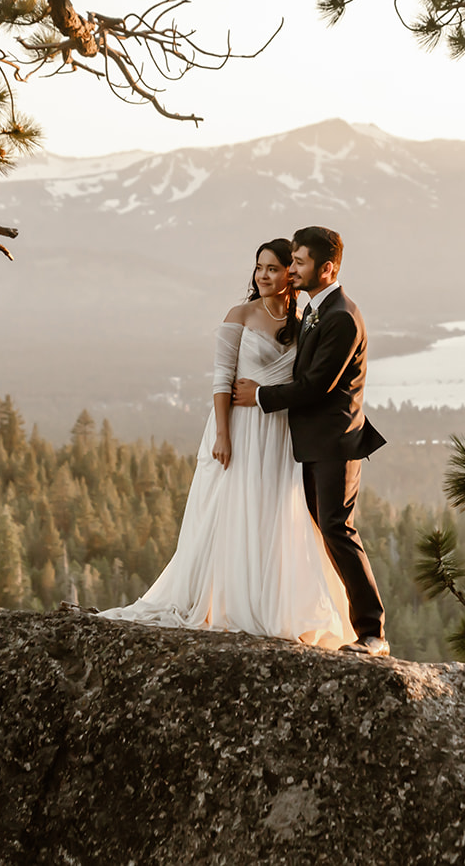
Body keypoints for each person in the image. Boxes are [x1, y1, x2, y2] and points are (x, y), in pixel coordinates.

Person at [99, 239, 354, 648]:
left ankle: (271, 604)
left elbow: (307, 382)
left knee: (274, 515)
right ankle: (230, 601)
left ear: (292, 272)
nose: (264, 276)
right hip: (241, 427)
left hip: (280, 432)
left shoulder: (304, 318)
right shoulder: (240, 315)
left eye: (273, 268)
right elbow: (221, 380)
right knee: (236, 510)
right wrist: (222, 434)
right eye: (259, 268)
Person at [232, 226, 389, 657]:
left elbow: (317, 385)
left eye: (299, 262)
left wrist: (260, 395)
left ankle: (373, 632)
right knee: (325, 529)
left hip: (335, 442)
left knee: (339, 529)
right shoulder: (317, 308)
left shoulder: (340, 316)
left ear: (328, 268)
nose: (291, 269)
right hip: (313, 442)